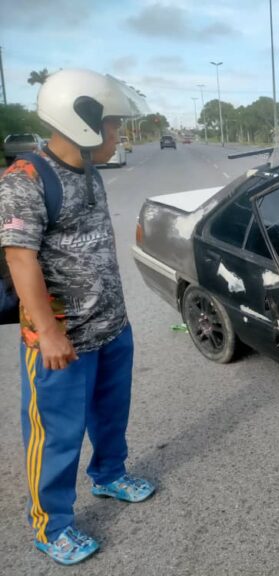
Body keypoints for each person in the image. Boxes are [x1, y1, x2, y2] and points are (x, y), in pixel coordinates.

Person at [0, 69, 155, 566]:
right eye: (113, 125)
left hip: (111, 326)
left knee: (111, 414)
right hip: (60, 338)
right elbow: (19, 257)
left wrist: (116, 319)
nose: (118, 135)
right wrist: (48, 333)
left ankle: (109, 475)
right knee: (55, 435)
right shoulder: (24, 179)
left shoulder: (89, 171)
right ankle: (52, 525)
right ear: (82, 121)